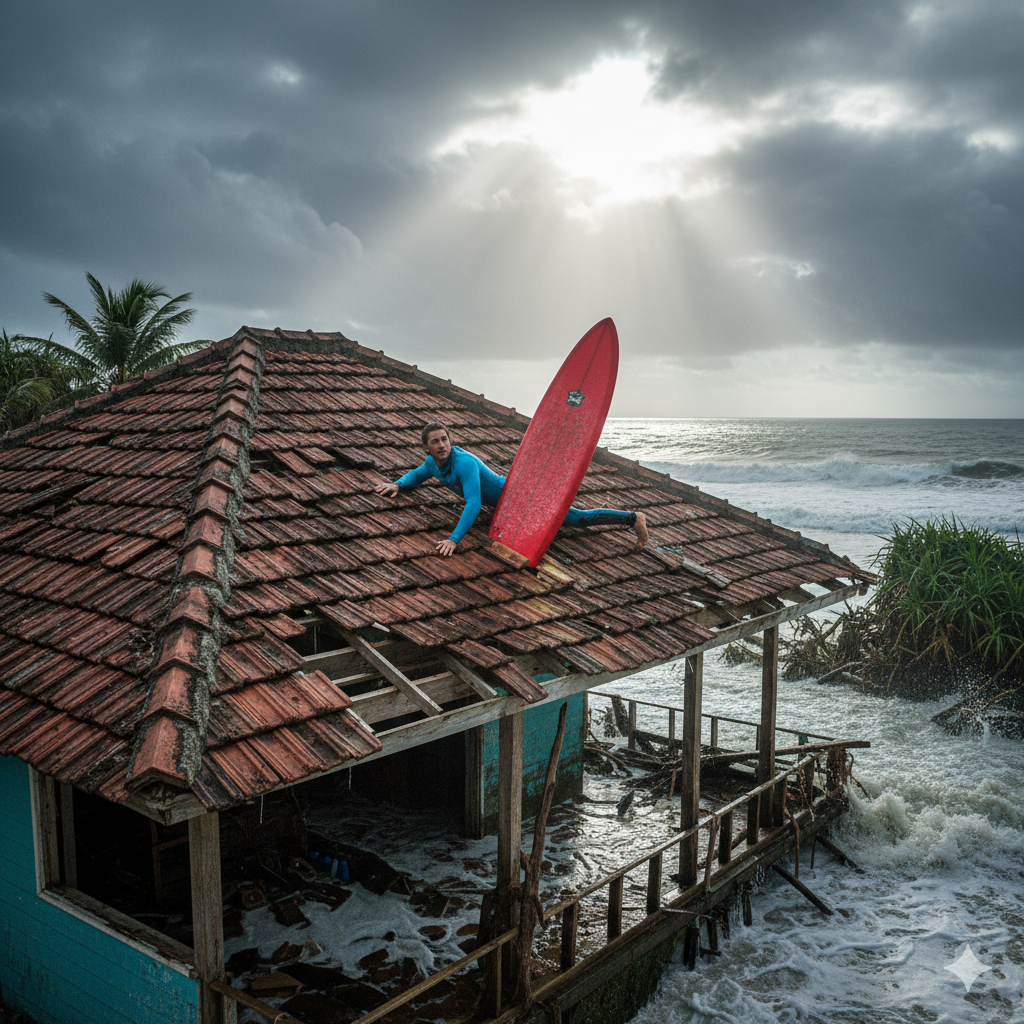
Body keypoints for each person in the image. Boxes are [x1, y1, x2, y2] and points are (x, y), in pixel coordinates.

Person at [374, 422, 648, 557]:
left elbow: (473, 503)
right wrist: (397, 484)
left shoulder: (465, 463)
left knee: (577, 519)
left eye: (444, 439)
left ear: (450, 440)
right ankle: (631, 518)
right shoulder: (432, 463)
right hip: (505, 504)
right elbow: (418, 475)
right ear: (427, 447)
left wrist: (454, 539)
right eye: (435, 442)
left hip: (522, 497)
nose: (441, 445)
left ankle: (633, 518)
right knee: (572, 521)